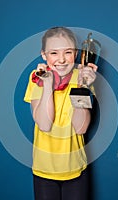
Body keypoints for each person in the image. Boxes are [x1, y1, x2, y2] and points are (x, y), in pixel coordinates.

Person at [24, 26, 98, 200]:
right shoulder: (37, 77)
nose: (62, 60)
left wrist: (82, 87)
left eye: (68, 52)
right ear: (44, 55)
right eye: (54, 53)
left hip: (75, 168)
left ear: (76, 54)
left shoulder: (83, 77)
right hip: (44, 170)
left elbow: (81, 128)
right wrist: (47, 85)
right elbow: (44, 124)